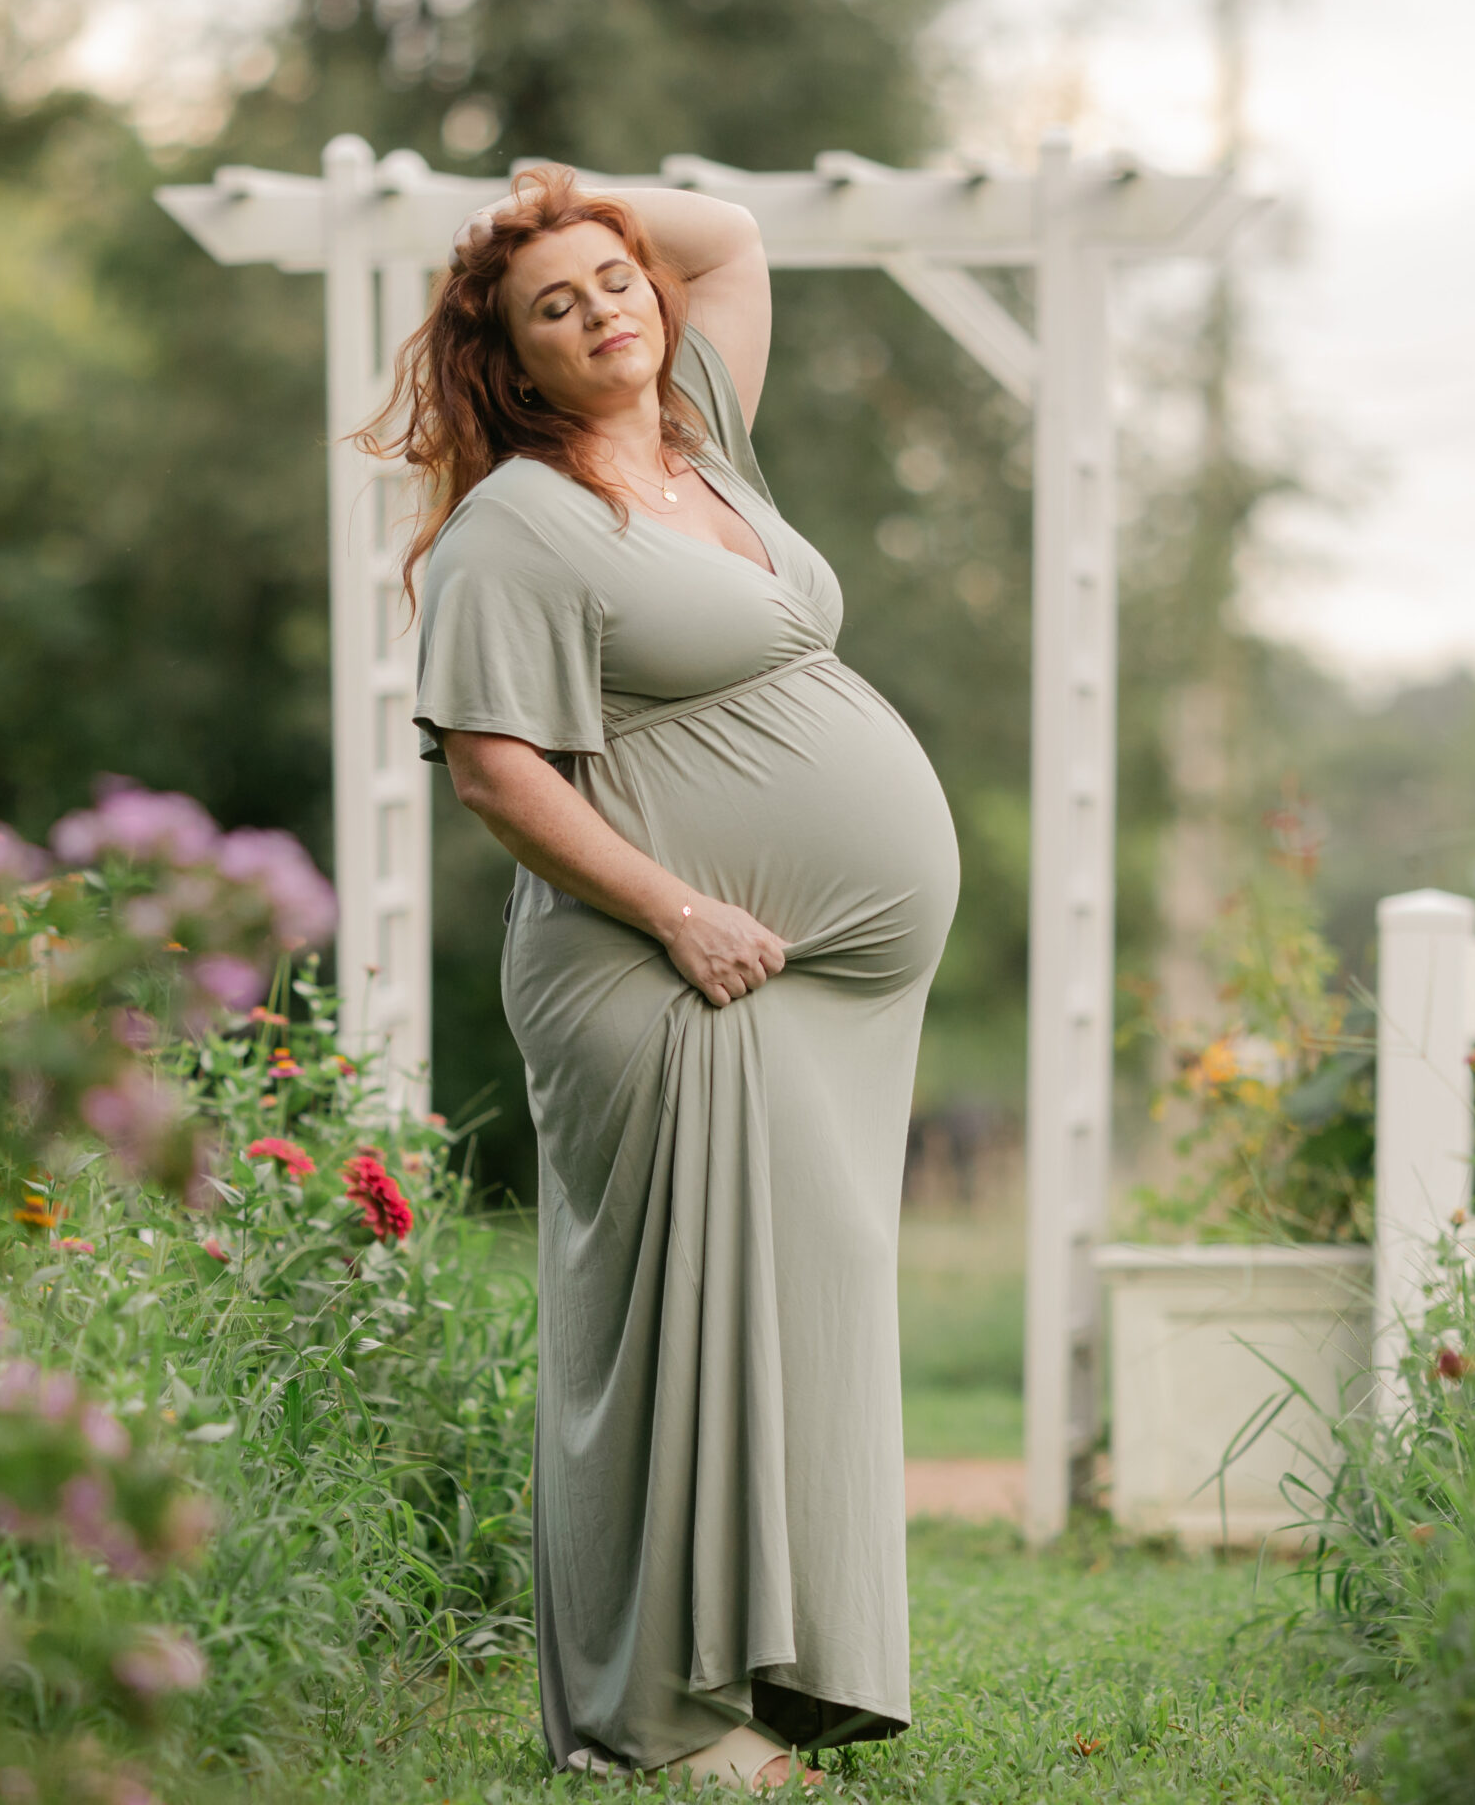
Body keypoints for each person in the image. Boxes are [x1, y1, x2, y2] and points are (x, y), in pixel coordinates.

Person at [369, 167, 959, 1790]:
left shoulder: (708, 443)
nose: (602, 311)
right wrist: (681, 911)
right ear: (516, 365)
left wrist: (555, 206)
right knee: (675, 1324)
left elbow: (734, 240)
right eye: (551, 309)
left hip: (814, 988)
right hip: (662, 974)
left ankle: (782, 1687)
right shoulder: (518, 525)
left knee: (801, 1306)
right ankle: (664, 1718)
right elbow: (494, 774)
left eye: (613, 284)